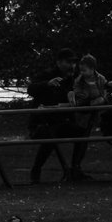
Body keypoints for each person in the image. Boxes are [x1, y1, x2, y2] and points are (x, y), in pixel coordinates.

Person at [27, 48, 89, 183]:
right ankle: (36, 170)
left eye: (74, 63)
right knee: (50, 135)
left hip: (61, 123)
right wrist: (47, 84)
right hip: (40, 123)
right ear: (59, 62)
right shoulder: (47, 75)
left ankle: (75, 169)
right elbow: (31, 89)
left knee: (82, 133)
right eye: (69, 62)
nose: (72, 66)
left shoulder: (72, 80)